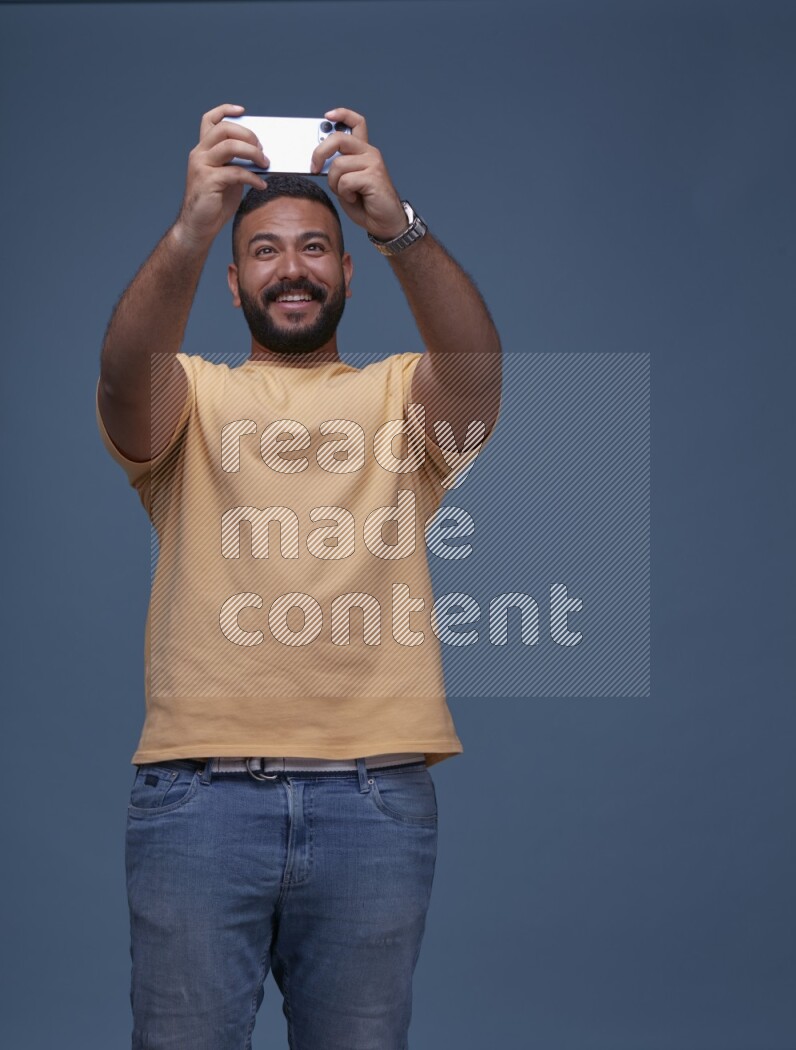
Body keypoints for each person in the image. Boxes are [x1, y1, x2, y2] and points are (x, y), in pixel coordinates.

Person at [96, 103, 502, 1050]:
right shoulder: (189, 397)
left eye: (315, 248)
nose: (292, 268)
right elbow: (121, 380)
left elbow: (479, 375)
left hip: (374, 804)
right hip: (198, 802)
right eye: (265, 251)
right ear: (233, 282)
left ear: (348, 270)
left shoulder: (401, 399)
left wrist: (398, 226)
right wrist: (192, 227)